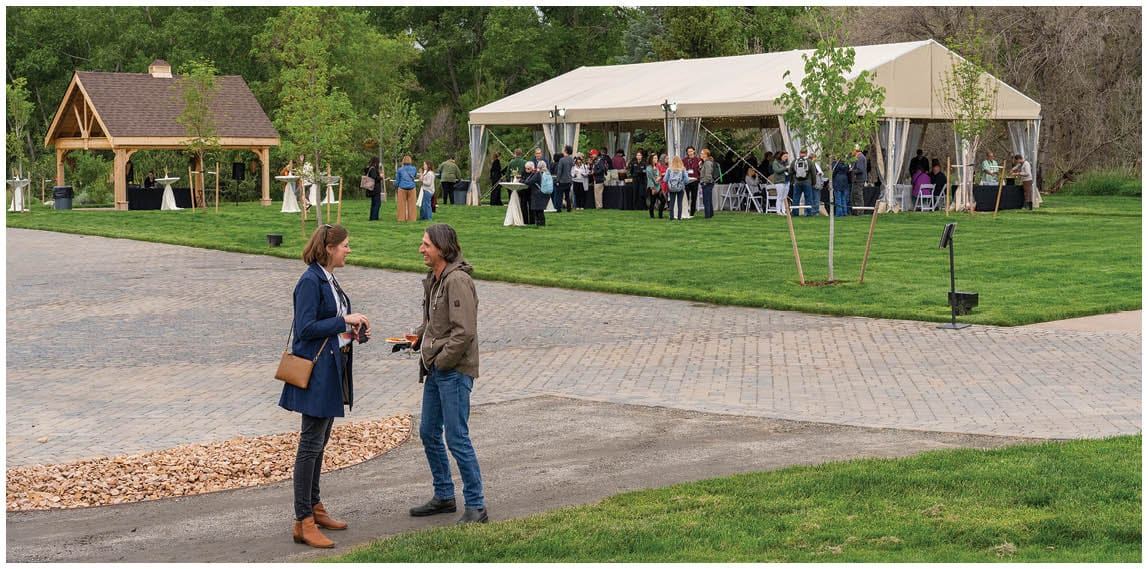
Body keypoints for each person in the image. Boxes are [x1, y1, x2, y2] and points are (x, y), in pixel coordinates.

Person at [280, 223, 371, 548]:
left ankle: (315, 508)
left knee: (320, 444)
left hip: (331, 370)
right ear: (329, 248)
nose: (348, 249)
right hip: (315, 375)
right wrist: (344, 320)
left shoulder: (329, 279)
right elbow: (305, 329)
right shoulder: (310, 281)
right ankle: (302, 520)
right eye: (345, 245)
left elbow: (329, 327)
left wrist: (352, 332)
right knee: (309, 446)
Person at [409, 223, 487, 525]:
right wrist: (417, 336)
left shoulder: (457, 281)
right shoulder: (436, 279)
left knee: (457, 438)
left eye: (426, 244)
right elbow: (436, 324)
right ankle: (444, 495)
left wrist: (442, 361)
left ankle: (476, 506)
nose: (421, 249)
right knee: (428, 432)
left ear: (441, 248)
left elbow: (464, 331)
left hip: (453, 371)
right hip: (436, 368)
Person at [789, 148, 817, 217]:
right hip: (807, 182)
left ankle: (795, 213)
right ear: (806, 153)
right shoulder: (809, 161)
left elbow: (790, 172)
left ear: (800, 153)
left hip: (797, 182)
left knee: (796, 198)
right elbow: (813, 173)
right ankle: (808, 213)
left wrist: (793, 181)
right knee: (808, 198)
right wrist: (814, 183)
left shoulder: (795, 161)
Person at [395, 155, 418, 222]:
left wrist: (396, 188)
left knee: (401, 205)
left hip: (402, 188)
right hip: (412, 188)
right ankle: (412, 219)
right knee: (412, 205)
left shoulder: (400, 170)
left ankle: (401, 218)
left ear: (403, 161)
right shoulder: (414, 168)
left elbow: (397, 180)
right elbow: (415, 176)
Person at [665, 155, 688, 220]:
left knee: (671, 203)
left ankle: (671, 217)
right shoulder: (683, 169)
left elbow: (665, 179)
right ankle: (679, 217)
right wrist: (683, 183)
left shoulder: (669, 169)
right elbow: (686, 180)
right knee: (679, 203)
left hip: (672, 188)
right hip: (680, 188)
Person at [529, 161, 551, 227]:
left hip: (538, 193)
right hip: (546, 192)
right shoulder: (547, 173)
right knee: (541, 210)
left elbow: (530, 181)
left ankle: (539, 223)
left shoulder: (538, 174)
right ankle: (542, 223)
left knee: (538, 210)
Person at [698, 148, 718, 219]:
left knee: (706, 200)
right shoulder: (705, 162)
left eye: (702, 153)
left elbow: (708, 174)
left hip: (707, 183)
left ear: (705, 155)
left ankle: (708, 215)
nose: (700, 154)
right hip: (707, 183)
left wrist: (705, 182)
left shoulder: (708, 163)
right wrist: (700, 167)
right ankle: (710, 214)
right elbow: (703, 172)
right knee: (708, 199)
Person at [682, 146, 702, 217]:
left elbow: (700, 170)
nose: (690, 153)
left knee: (694, 197)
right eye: (688, 151)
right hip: (687, 181)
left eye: (691, 151)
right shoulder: (684, 160)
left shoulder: (698, 160)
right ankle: (686, 211)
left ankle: (692, 212)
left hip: (695, 180)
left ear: (694, 151)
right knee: (686, 197)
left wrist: (700, 167)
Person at [554, 145, 575, 213]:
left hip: (562, 180)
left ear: (566, 151)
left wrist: (557, 180)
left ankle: (559, 209)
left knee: (559, 196)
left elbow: (559, 171)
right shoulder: (571, 159)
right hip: (569, 180)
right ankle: (569, 208)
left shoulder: (562, 160)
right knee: (567, 195)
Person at [645, 153, 664, 219]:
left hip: (658, 186)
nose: (656, 159)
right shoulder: (648, 168)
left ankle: (660, 215)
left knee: (663, 201)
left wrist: (659, 177)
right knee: (652, 202)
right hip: (652, 187)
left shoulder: (657, 166)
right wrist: (652, 188)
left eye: (657, 158)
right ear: (651, 159)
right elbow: (649, 179)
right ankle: (652, 216)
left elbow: (660, 174)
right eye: (655, 158)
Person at [364, 157, 383, 221]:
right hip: (375, 189)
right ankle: (374, 218)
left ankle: (372, 217)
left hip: (372, 189)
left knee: (374, 203)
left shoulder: (369, 168)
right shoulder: (373, 169)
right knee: (377, 204)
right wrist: (380, 177)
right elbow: (374, 178)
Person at [628, 149, 647, 213]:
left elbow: (645, 171)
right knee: (635, 193)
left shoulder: (644, 163)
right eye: (637, 155)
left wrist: (641, 172)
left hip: (642, 180)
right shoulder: (633, 163)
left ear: (641, 156)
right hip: (635, 180)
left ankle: (643, 206)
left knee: (641, 193)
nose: (638, 156)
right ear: (636, 156)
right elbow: (631, 171)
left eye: (640, 155)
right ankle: (635, 207)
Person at [850, 146, 868, 214]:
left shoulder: (860, 157)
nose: (851, 152)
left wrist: (852, 170)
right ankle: (856, 211)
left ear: (856, 150)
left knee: (858, 196)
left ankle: (860, 212)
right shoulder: (859, 157)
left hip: (859, 180)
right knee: (855, 196)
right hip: (857, 180)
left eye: (852, 150)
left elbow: (860, 169)